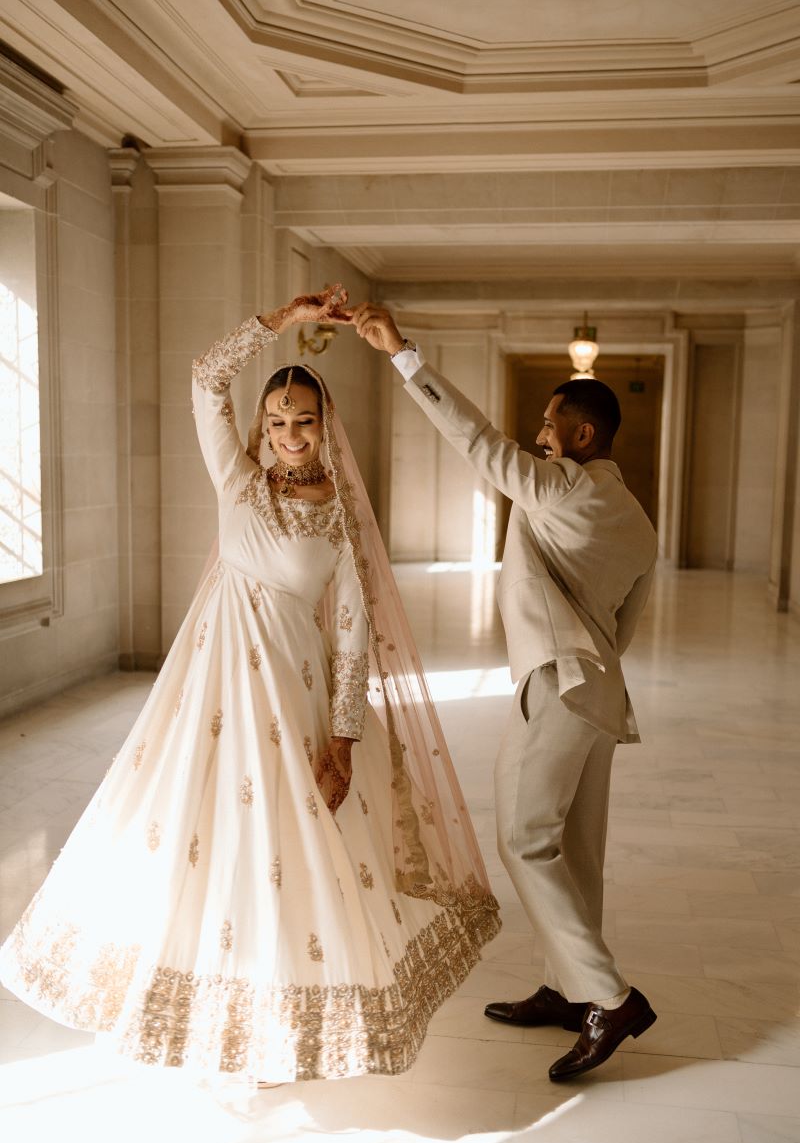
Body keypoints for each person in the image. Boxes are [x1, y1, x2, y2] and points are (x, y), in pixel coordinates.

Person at [0, 285, 500, 1084]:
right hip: (213, 698)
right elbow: (205, 379)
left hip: (296, 698)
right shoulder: (238, 484)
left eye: (303, 420)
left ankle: (279, 1019)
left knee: (287, 849)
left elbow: (350, 636)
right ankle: (206, 1010)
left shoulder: (340, 518)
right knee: (202, 844)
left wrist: (341, 739)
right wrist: (282, 322)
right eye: (276, 422)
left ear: (324, 424)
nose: (289, 435)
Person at [347, 301, 658, 1081]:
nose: (539, 434)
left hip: (558, 686)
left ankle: (608, 998)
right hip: (599, 691)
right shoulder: (637, 521)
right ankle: (563, 988)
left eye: (551, 424)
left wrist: (404, 357)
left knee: (524, 838)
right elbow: (626, 623)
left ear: (582, 436)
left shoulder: (559, 488)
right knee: (574, 850)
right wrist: (589, 665)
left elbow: (480, 446)